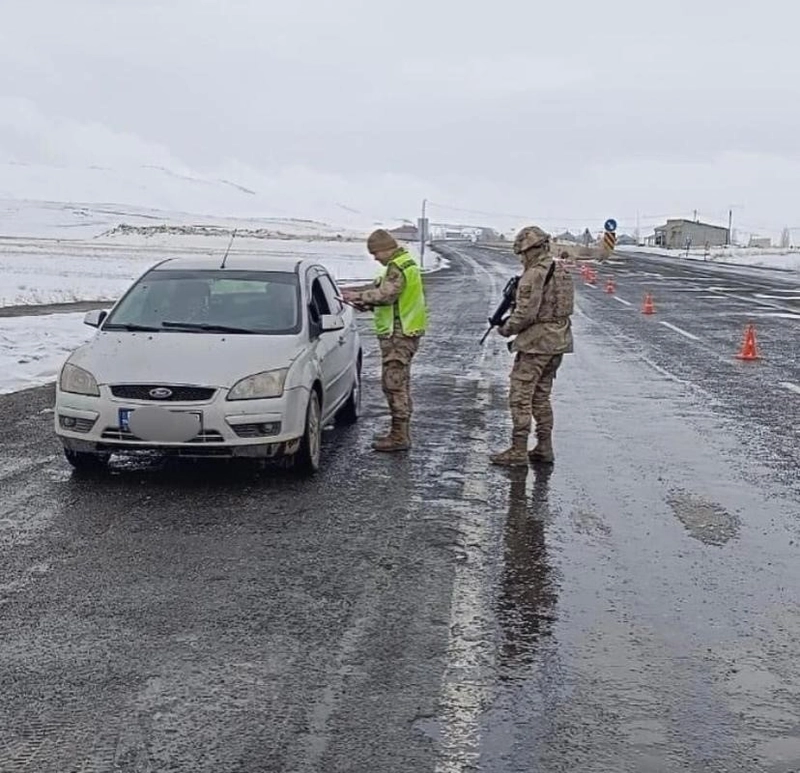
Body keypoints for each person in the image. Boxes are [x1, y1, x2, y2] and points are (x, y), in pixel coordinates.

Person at [489, 226, 574, 467]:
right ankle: (544, 446)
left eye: (522, 254)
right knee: (541, 397)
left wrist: (505, 329)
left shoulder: (534, 274)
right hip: (558, 342)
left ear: (530, 250)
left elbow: (524, 315)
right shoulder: (560, 270)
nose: (521, 259)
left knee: (520, 396)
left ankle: (518, 450)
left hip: (537, 344)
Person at [341, 229, 428, 452]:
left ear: (386, 249)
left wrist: (358, 296)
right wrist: (365, 301)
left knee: (394, 384)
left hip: (399, 335)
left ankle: (399, 436)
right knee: (398, 383)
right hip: (402, 332)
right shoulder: (402, 264)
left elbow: (386, 295)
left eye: (376, 253)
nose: (375, 258)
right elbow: (388, 299)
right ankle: (400, 433)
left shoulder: (398, 267)